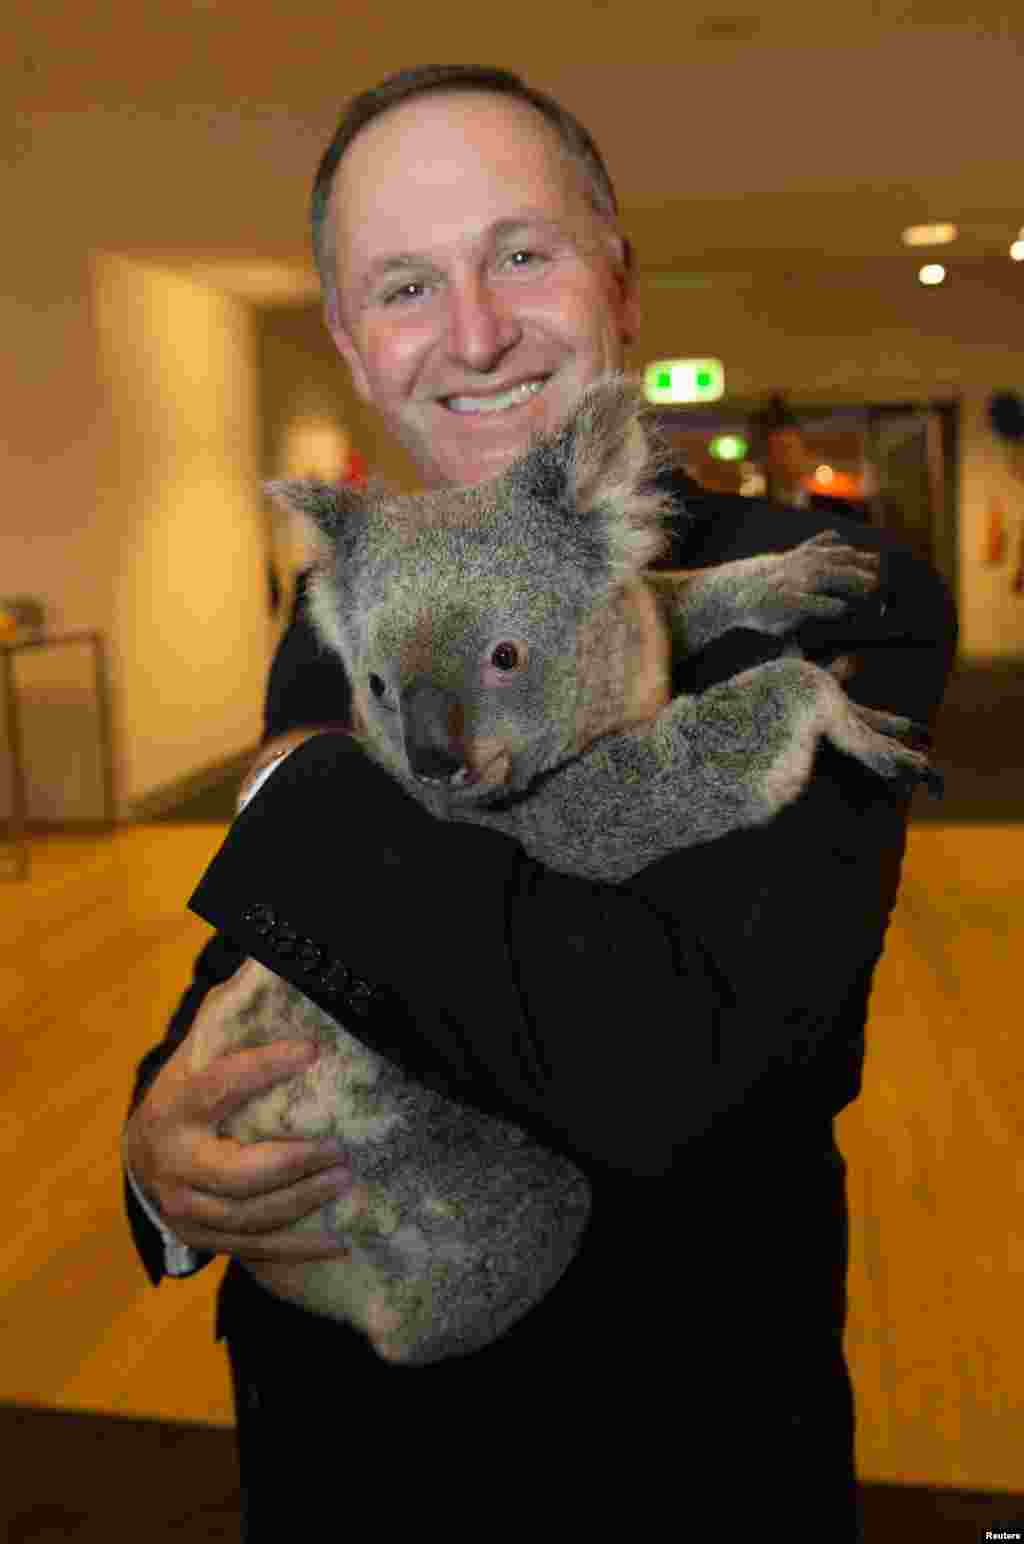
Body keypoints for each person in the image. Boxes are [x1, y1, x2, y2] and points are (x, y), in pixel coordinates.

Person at [121, 65, 957, 1538]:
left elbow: (657, 1066)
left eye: (522, 252)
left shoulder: (824, 602)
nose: (478, 332)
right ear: (353, 346)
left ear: (618, 283)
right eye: (405, 285)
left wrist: (301, 789)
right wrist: (158, 1153)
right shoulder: (345, 605)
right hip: (331, 1452)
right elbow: (265, 963)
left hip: (661, 1457)